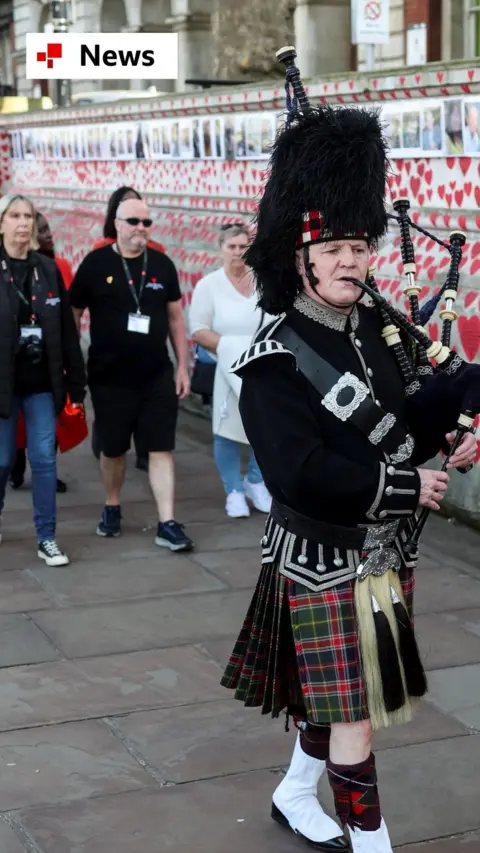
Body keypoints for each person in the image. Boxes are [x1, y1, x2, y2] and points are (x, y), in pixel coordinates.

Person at [219, 75, 478, 852]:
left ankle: (298, 790)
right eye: (332, 248)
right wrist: (409, 482)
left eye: (359, 245)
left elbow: (413, 414)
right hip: (320, 557)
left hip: (385, 550)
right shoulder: (269, 359)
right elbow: (297, 473)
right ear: (297, 258)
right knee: (358, 706)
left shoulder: (375, 326)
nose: (350, 260)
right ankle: (374, 844)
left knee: (338, 702)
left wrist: (459, 421)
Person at [69, 196, 193, 552]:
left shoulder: (162, 265)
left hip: (156, 374)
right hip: (109, 376)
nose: (141, 228)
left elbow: (175, 318)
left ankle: (167, 522)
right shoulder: (95, 264)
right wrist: (72, 363)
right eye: (134, 222)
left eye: (146, 222)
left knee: (161, 448)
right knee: (113, 450)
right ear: (117, 224)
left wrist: (182, 366)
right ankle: (112, 505)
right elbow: (74, 313)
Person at [0, 194, 86, 566]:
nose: (22, 223)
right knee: (2, 460)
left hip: (41, 384)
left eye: (28, 216)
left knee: (44, 460)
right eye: (14, 216)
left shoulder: (47, 269)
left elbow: (67, 331)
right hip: (3, 385)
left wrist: (76, 385)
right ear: (2, 222)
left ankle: (46, 537)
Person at [189, 224, 272, 519]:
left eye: (242, 246)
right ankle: (233, 491)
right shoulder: (209, 285)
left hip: (264, 367)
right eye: (231, 247)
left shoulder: (266, 281)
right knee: (225, 430)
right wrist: (231, 348)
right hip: (225, 366)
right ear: (221, 249)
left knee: (267, 427)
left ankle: (256, 481)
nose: (237, 252)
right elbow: (198, 329)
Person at [91, 186, 165, 471]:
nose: (138, 224)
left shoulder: (157, 253)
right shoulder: (101, 252)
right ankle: (108, 445)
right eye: (128, 210)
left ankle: (147, 451)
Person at [9, 210, 75, 493]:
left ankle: (46, 470)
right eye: (41, 229)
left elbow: (68, 315)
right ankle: (15, 462)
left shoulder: (57, 267)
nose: (46, 234)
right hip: (13, 362)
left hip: (50, 359)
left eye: (47, 229)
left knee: (47, 422)